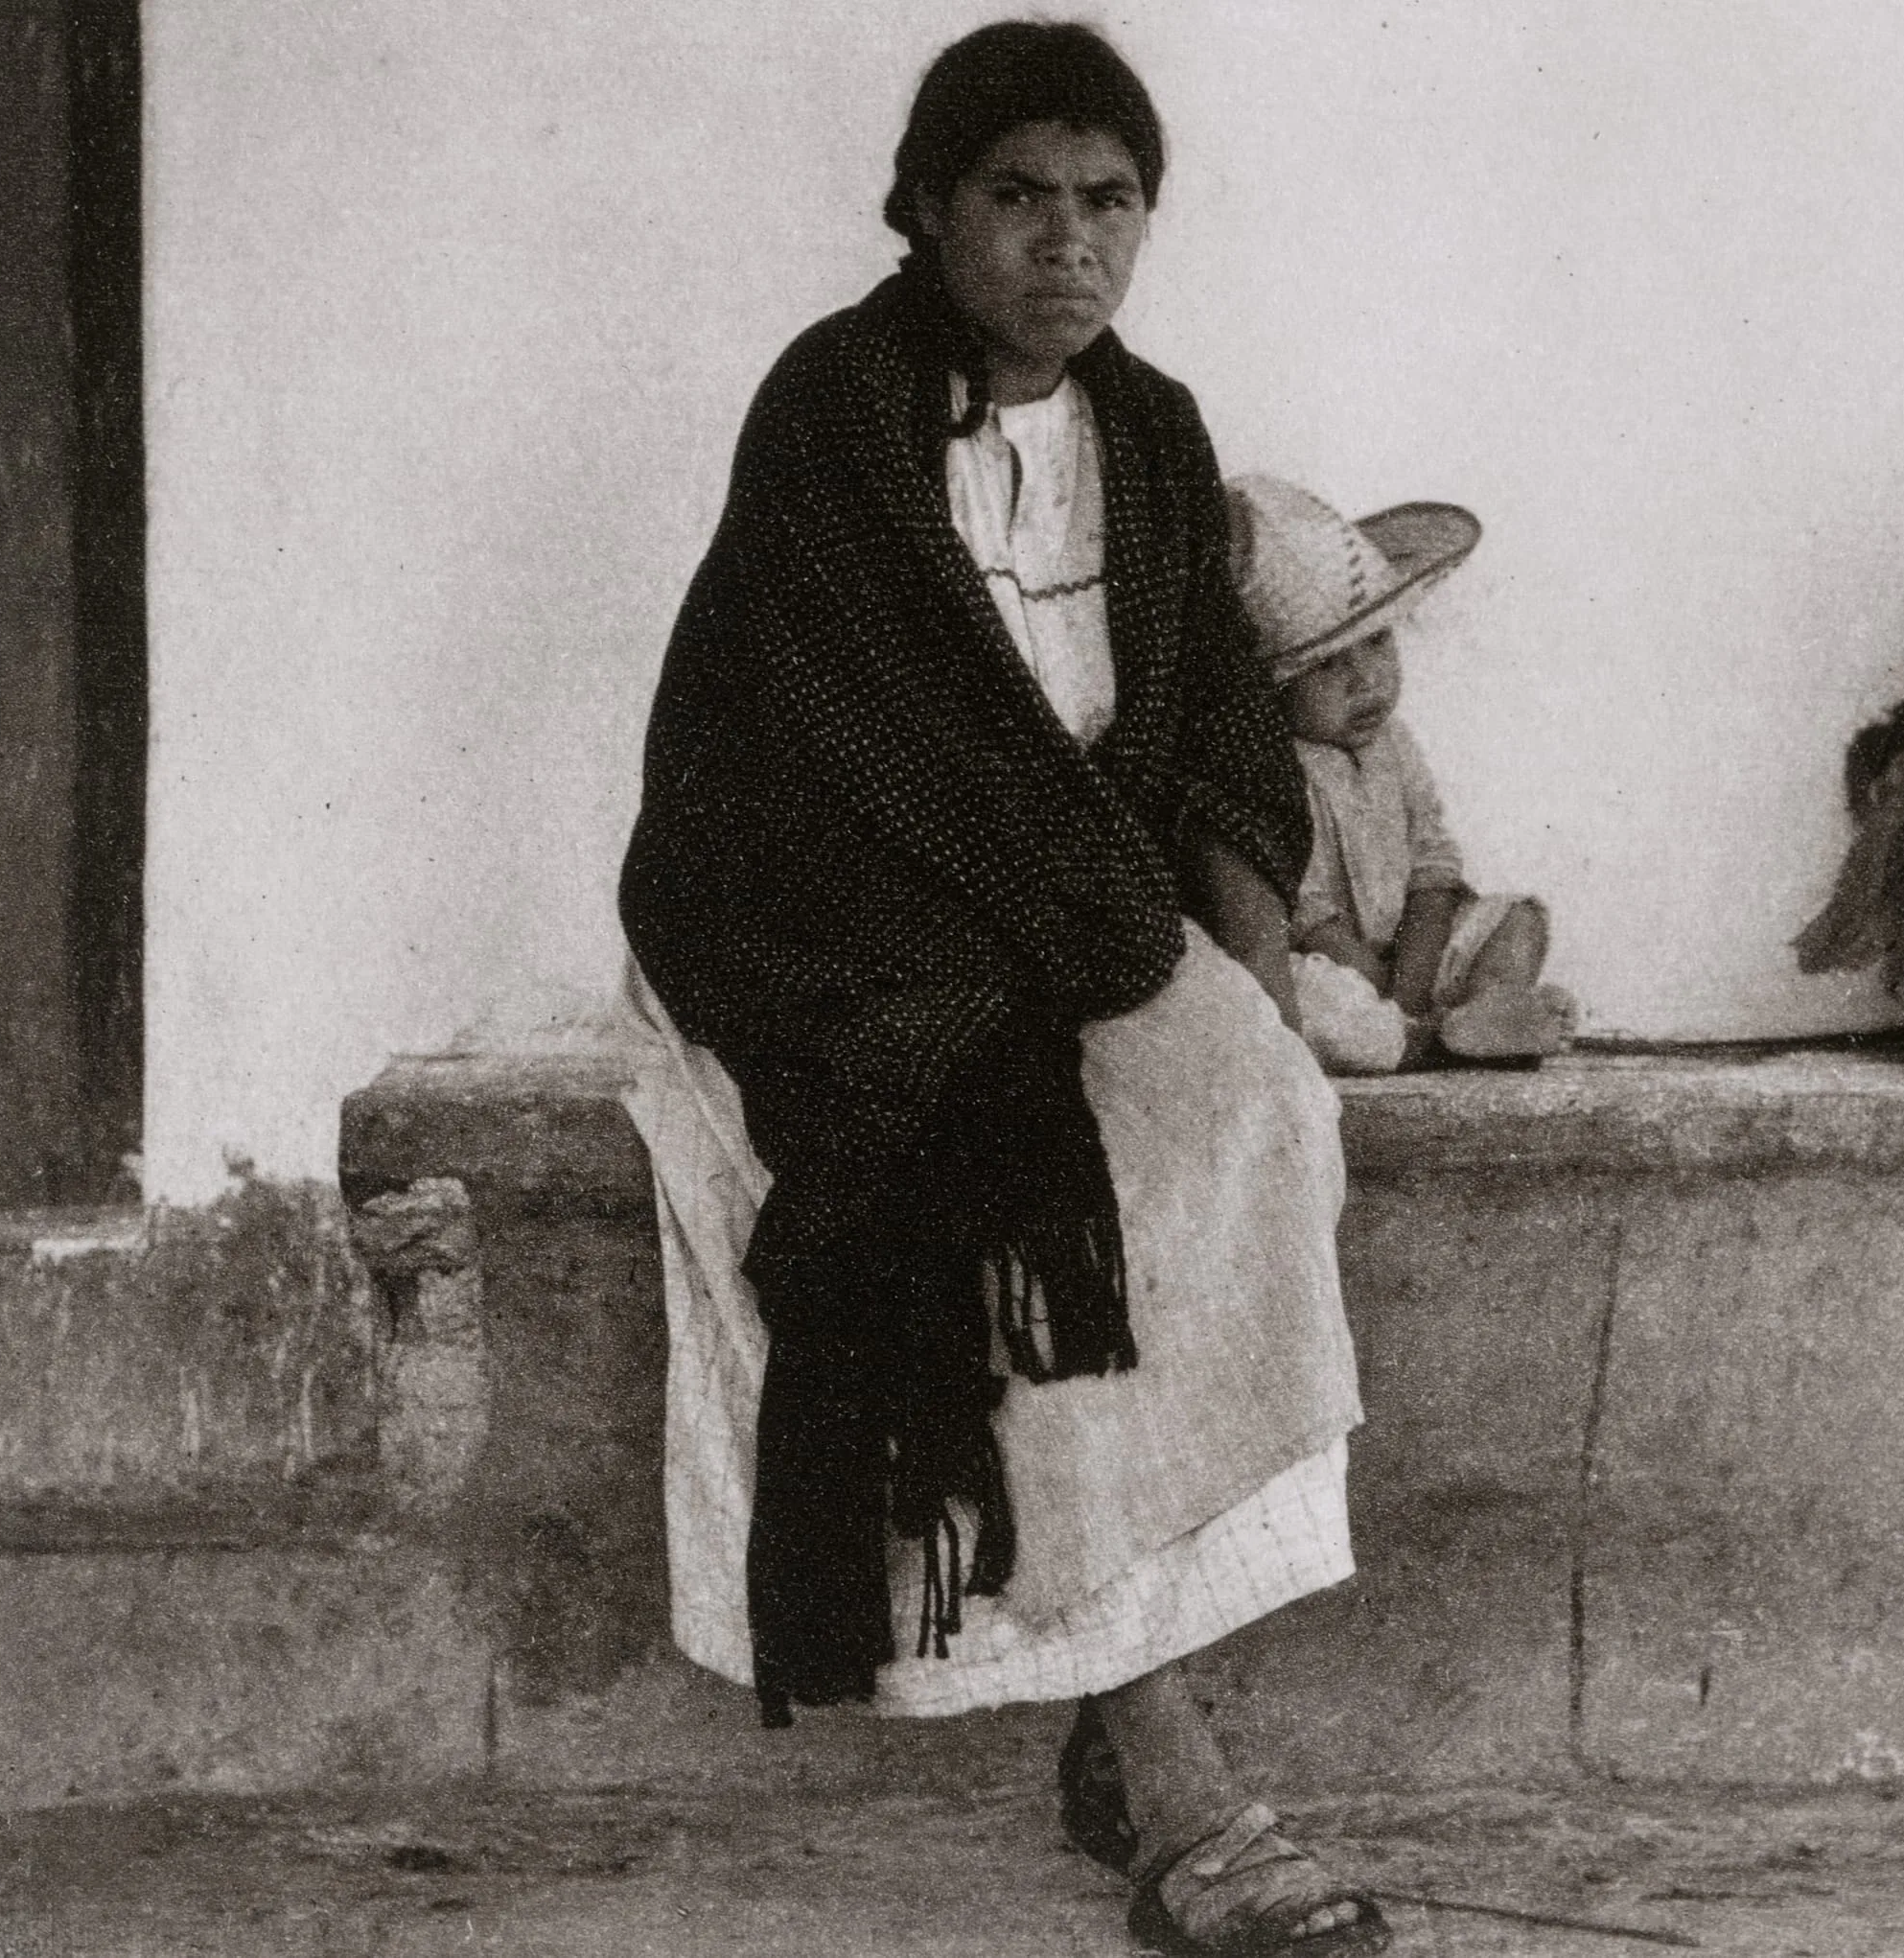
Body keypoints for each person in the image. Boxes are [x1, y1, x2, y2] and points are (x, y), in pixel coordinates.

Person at [616, 22, 1388, 1956]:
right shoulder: (836, 409)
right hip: (825, 917)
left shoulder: (1153, 431)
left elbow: (1213, 741)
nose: (1069, 241)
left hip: (1075, 909)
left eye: (1109, 200)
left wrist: (1249, 989)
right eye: (1019, 196)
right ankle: (1181, 1792)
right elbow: (860, 750)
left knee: (1256, 1121)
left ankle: (1129, 1731)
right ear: (927, 210)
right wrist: (1085, 963)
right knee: (1038, 1193)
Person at [1224, 475, 1576, 1075]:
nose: (1365, 680)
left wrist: (1414, 976)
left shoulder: (1396, 744)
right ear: (1270, 686)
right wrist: (1381, 985)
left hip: (1411, 952)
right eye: (1328, 664)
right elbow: (1303, 910)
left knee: (1518, 919)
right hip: (1334, 959)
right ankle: (1432, 1039)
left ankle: (1486, 1009)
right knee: (1304, 1000)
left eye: (1377, 642)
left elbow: (1433, 867)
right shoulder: (1271, 764)